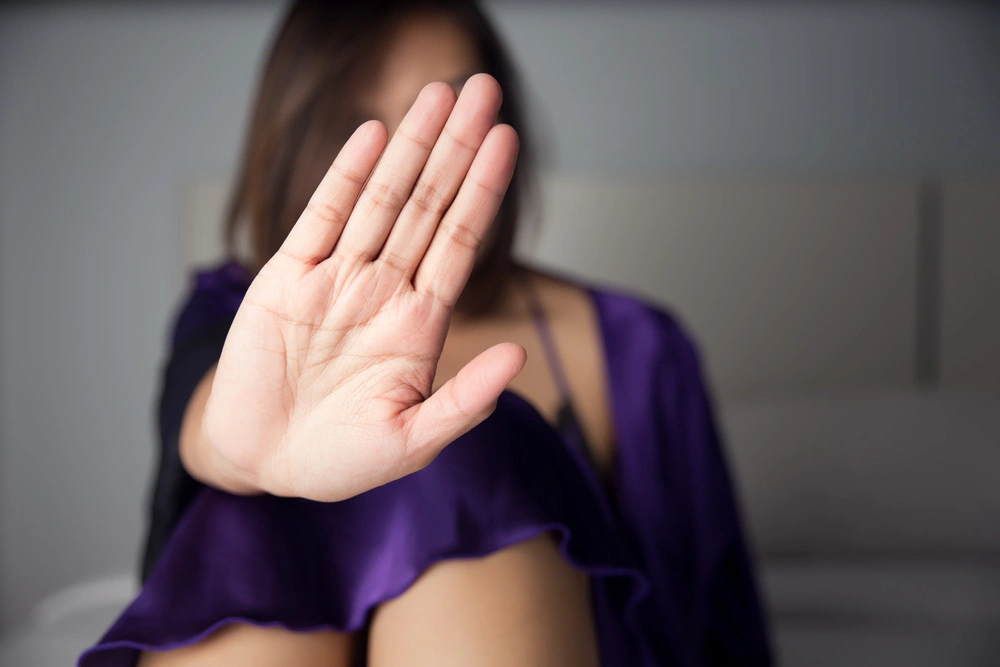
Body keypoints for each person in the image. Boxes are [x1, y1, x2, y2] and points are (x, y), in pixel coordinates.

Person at [79, 1, 772, 665]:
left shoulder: (632, 347)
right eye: (355, 122)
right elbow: (201, 414)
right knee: (257, 510)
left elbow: (710, 622)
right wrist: (241, 456)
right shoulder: (235, 314)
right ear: (292, 138)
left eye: (445, 112)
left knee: (471, 448)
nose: (408, 162)